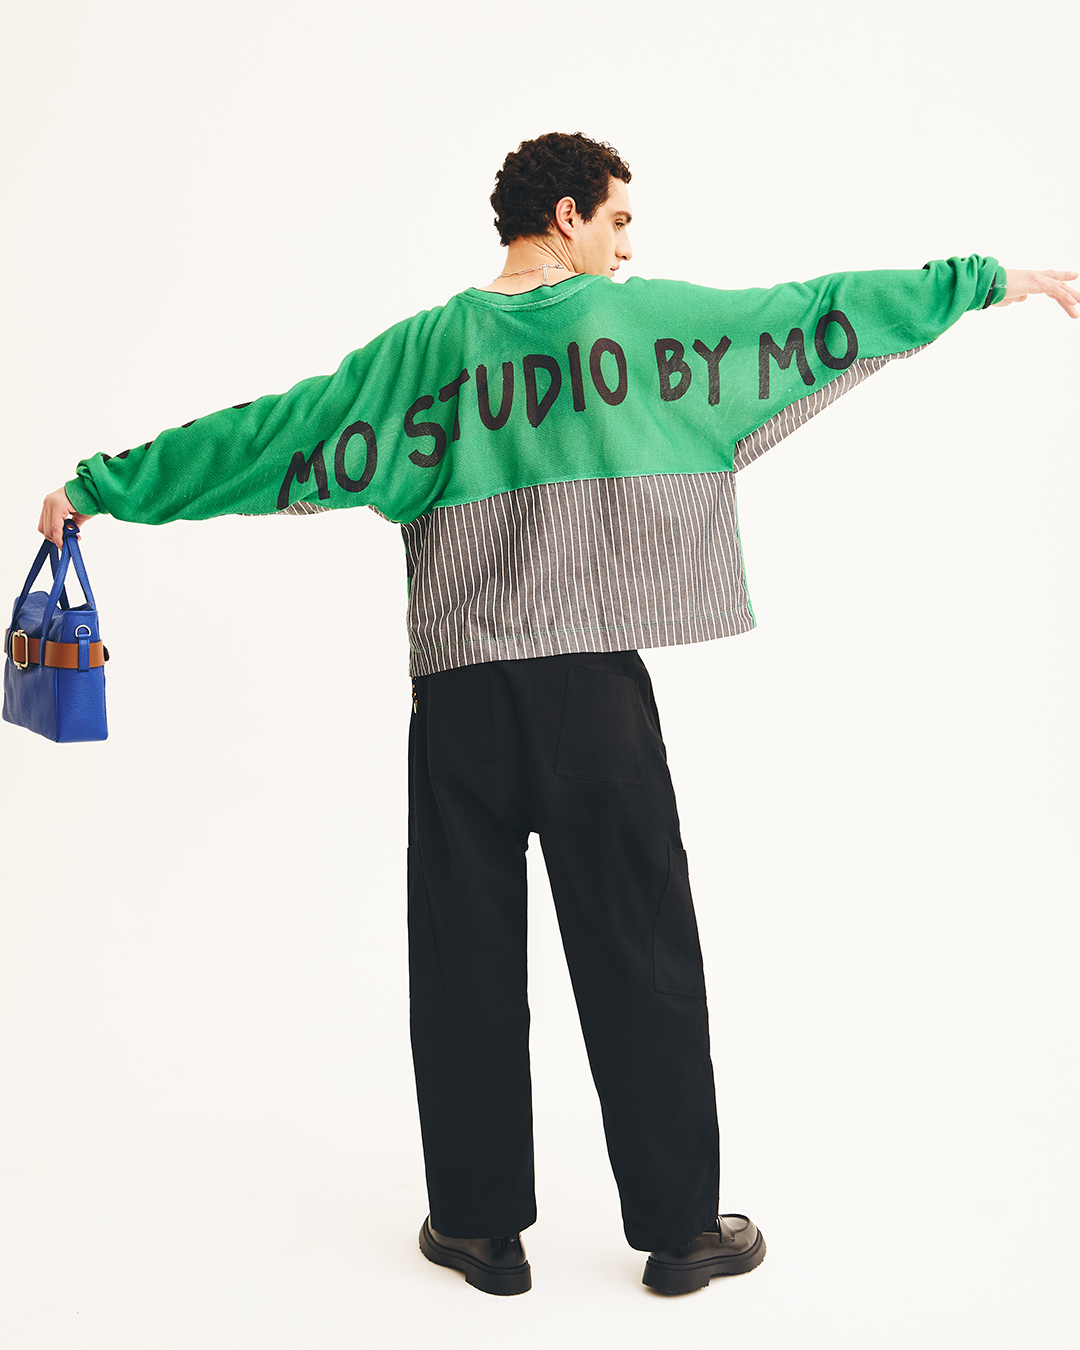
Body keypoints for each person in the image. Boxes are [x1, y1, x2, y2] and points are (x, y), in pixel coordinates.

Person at [35, 132, 1079, 1298]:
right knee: (642, 952)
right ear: (567, 215)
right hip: (593, 694)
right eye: (618, 221)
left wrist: (101, 488)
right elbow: (811, 315)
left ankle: (478, 1230)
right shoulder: (638, 328)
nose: (628, 248)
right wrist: (984, 283)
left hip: (463, 699)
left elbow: (274, 434)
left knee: (465, 961)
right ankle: (681, 1233)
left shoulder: (422, 353)